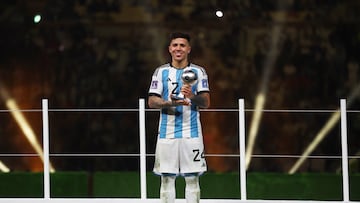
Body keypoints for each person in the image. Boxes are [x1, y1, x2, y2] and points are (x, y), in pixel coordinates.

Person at [148, 32, 210, 203]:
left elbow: (205, 102)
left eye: (182, 45)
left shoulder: (199, 71)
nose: (178, 48)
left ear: (189, 49)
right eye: (175, 45)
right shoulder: (161, 72)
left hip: (192, 133)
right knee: (167, 178)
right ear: (169, 49)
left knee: (192, 178)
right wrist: (170, 103)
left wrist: (190, 97)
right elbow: (152, 102)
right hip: (166, 134)